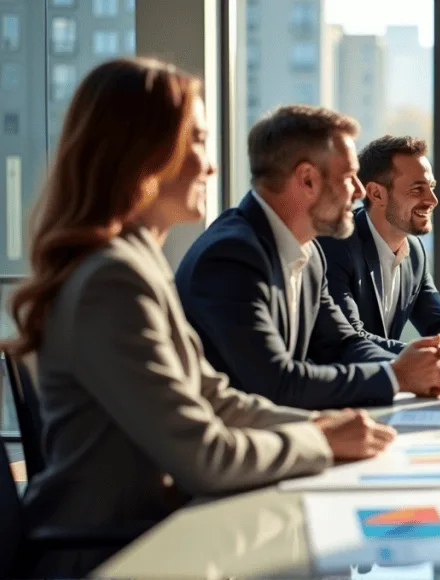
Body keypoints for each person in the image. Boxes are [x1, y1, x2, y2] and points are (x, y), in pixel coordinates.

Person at [1, 58, 396, 577]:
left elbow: (214, 397)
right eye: (199, 140)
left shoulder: (136, 262)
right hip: (114, 556)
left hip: (159, 536)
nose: (211, 166)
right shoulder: (111, 280)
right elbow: (204, 455)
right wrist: (320, 441)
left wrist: (323, 424)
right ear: (143, 152)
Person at [175, 106, 440, 410]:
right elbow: (275, 383)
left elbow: (341, 343)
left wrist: (422, 364)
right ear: (308, 179)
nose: (360, 191)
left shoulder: (310, 254)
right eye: (349, 177)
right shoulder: (231, 256)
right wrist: (395, 376)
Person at [317, 135, 440, 368]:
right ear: (376, 194)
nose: (432, 200)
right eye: (417, 189)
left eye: (431, 187)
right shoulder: (336, 245)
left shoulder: (414, 251)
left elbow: (437, 321)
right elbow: (350, 340)